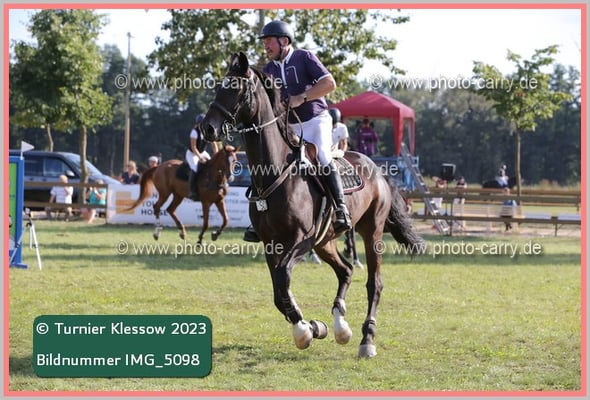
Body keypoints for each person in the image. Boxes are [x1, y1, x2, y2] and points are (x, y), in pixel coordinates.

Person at [257, 20, 351, 234]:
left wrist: (303, 97)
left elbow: (330, 84)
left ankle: (341, 209)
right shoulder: (268, 69)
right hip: (289, 126)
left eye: (269, 41)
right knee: (267, 162)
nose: (266, 46)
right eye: (264, 42)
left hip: (316, 120)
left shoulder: (304, 57)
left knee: (323, 156)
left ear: (284, 41)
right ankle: (260, 217)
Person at [186, 113, 218, 200]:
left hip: (202, 152)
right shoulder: (194, 132)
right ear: (198, 123)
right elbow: (193, 147)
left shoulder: (209, 131)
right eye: (201, 123)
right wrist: (200, 157)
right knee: (195, 168)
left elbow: (214, 145)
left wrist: (216, 155)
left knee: (212, 165)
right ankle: (192, 190)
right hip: (192, 154)